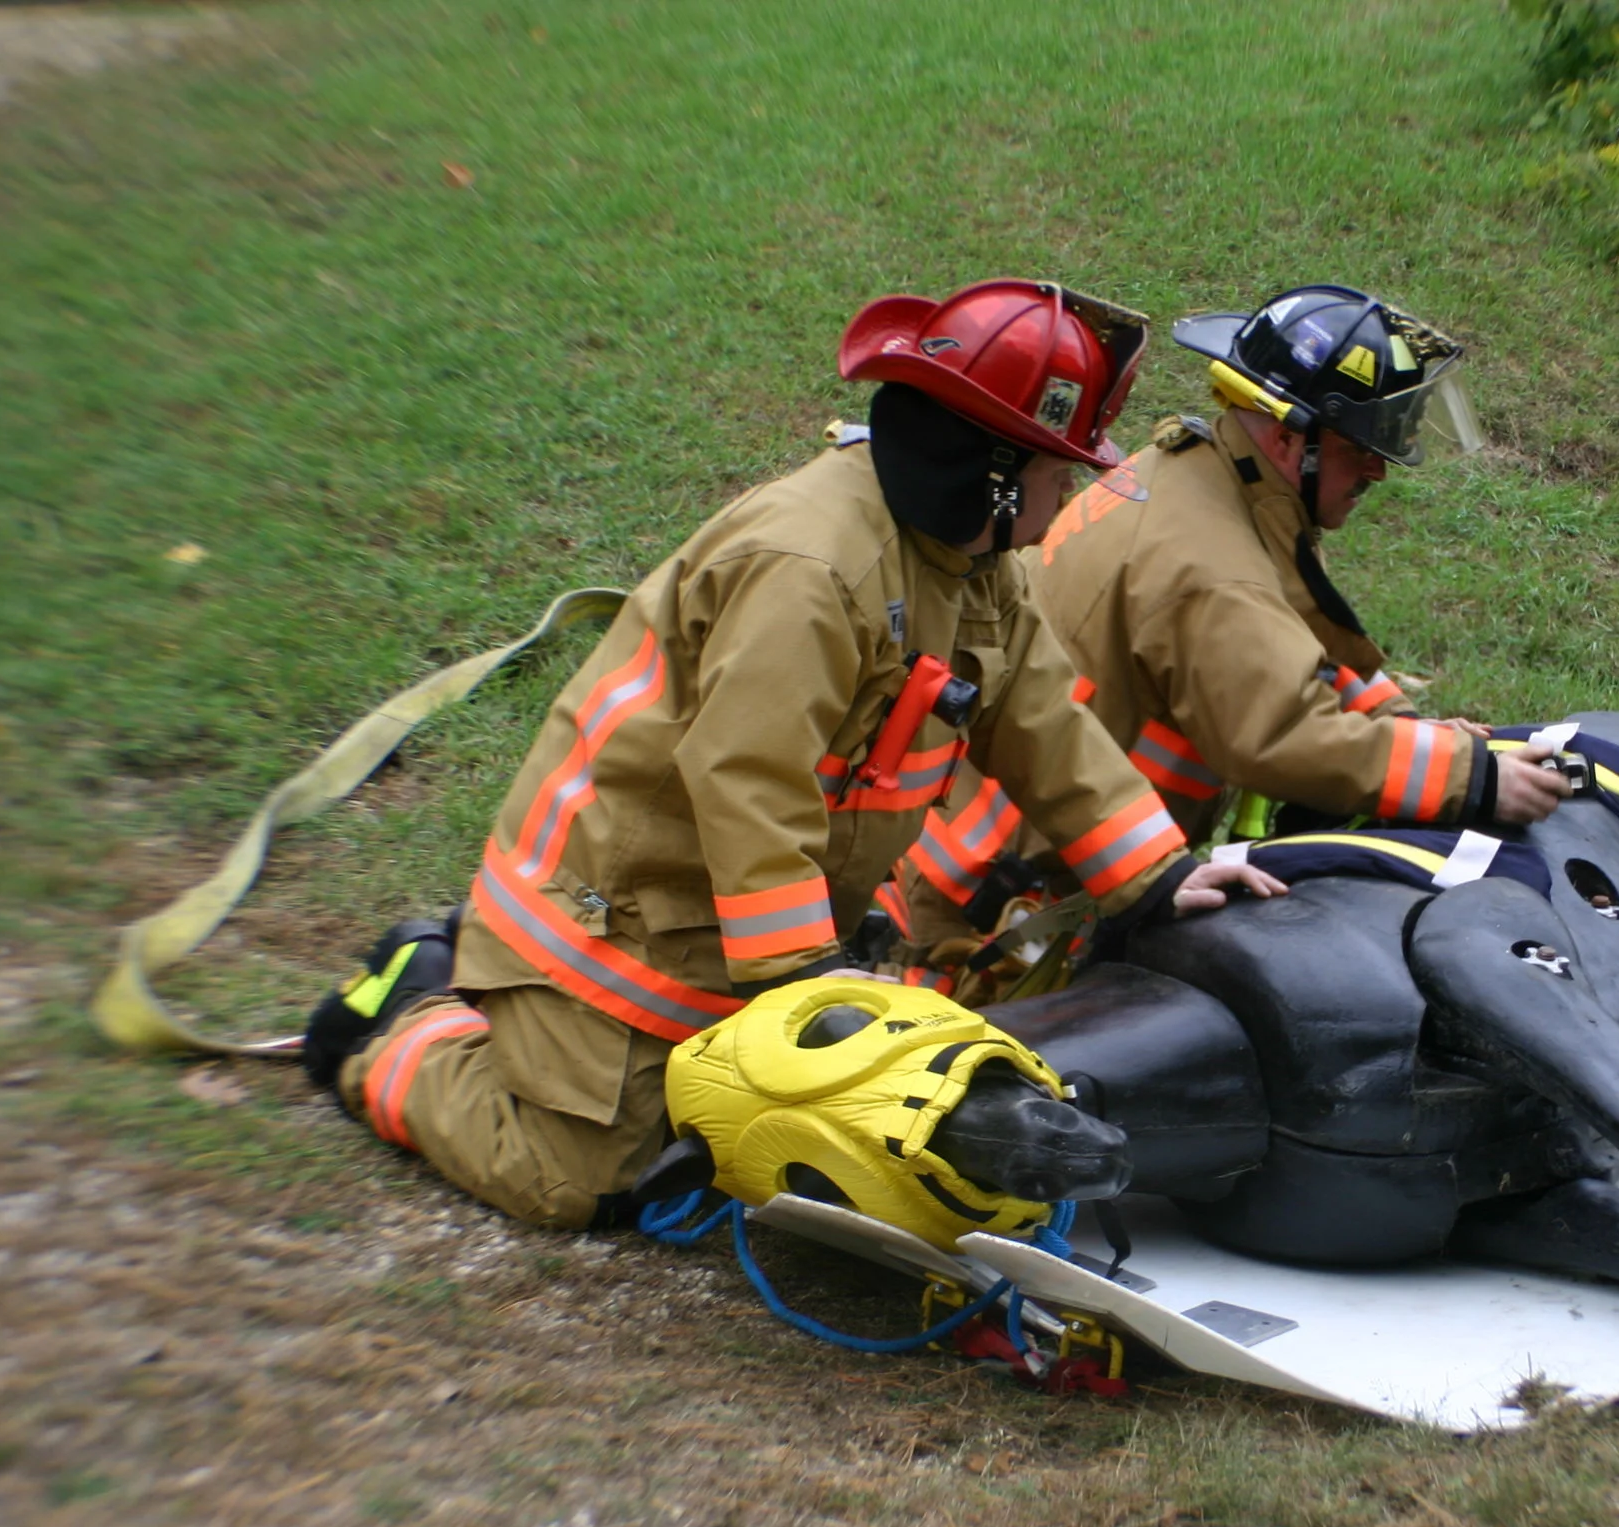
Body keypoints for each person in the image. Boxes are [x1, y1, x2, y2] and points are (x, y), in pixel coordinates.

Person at [299, 280, 1278, 1229]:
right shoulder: (811, 570)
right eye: (1054, 470)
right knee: (582, 1181)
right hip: (615, 919)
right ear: (985, 472)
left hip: (739, 928)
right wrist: (807, 993)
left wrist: (1154, 874)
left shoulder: (975, 561)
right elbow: (748, 781)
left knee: (734, 1152)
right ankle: (408, 1018)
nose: (1068, 491)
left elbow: (1040, 719)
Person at [893, 284, 1571, 972]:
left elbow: (1291, 636)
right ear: (1286, 434)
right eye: (1359, 448)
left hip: (1031, 851)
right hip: (1011, 912)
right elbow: (1279, 735)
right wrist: (1470, 777)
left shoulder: (1203, 475)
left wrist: (1409, 725)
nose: (1378, 470)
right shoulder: (1210, 568)